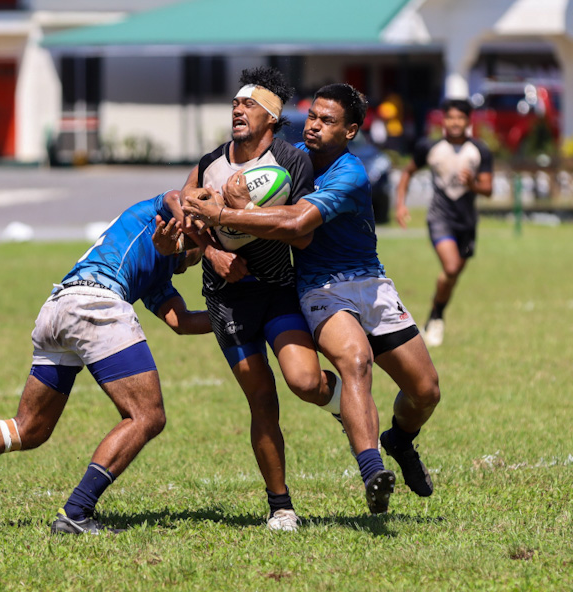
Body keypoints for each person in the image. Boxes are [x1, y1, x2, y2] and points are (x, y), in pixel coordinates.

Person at [184, 83, 441, 513]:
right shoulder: (287, 159)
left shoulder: (349, 173)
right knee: (355, 361)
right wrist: (206, 235)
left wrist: (229, 214)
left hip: (370, 283)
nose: (314, 126)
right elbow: (198, 184)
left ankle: (400, 439)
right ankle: (372, 470)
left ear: (350, 131)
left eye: (327, 121)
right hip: (319, 287)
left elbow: (298, 223)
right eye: (312, 117)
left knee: (426, 391)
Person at [0, 191, 210, 535]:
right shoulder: (152, 215)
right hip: (95, 302)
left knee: (29, 428)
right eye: (199, 254)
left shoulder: (158, 274)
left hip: (59, 306)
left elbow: (182, 321)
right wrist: (207, 241)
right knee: (147, 415)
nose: (192, 263)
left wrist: (238, 318)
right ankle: (77, 512)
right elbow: (176, 196)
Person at [172, 67, 341, 531]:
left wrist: (238, 214)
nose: (237, 109)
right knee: (262, 398)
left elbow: (302, 237)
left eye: (248, 104)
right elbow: (185, 220)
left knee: (304, 382)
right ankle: (281, 506)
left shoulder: (292, 161)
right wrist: (211, 252)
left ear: (272, 117)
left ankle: (342, 404)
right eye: (234, 103)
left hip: (277, 287)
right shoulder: (210, 163)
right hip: (226, 298)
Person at [395, 98, 494, 347]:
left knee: (452, 276)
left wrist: (472, 184)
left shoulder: (479, 150)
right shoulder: (430, 147)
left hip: (467, 222)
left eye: (461, 118)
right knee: (450, 268)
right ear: (444, 120)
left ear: (468, 121)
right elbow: (407, 172)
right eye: (451, 117)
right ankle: (437, 318)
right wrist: (401, 204)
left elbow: (488, 189)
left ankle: (435, 315)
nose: (455, 123)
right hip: (439, 218)